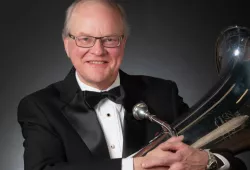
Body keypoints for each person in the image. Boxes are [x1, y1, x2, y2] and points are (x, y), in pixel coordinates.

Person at [17, 0, 247, 170]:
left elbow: (235, 163)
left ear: (123, 43)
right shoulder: (39, 106)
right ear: (67, 44)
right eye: (85, 39)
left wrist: (206, 162)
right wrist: (135, 166)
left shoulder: (163, 93)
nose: (98, 50)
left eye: (110, 39)